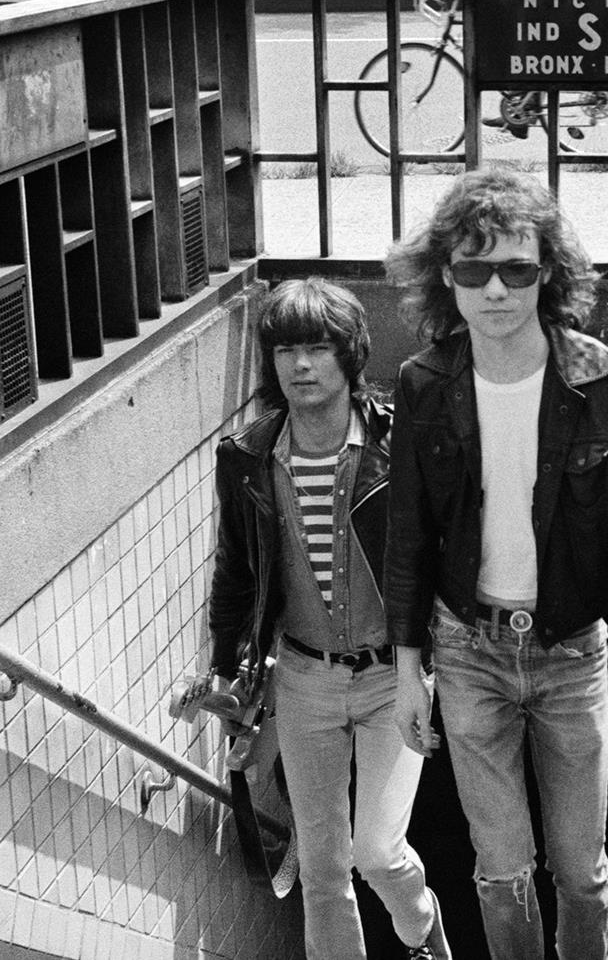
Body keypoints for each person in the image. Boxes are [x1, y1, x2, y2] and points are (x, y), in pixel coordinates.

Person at [382, 166, 608, 960]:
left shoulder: (606, 382)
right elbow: (406, 537)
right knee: (501, 868)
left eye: (516, 269)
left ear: (548, 273)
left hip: (572, 653)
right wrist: (408, 671)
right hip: (467, 650)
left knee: (580, 872)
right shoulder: (424, 383)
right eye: (474, 269)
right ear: (446, 277)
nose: (496, 290)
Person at [206, 278, 451, 960]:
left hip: (392, 676)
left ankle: (423, 933)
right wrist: (226, 670)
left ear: (350, 354)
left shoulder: (401, 443)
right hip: (303, 679)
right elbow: (236, 570)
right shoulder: (246, 457)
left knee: (378, 852)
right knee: (321, 868)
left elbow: (445, 553)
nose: (301, 365)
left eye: (317, 348)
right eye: (286, 350)